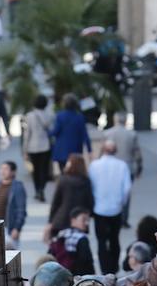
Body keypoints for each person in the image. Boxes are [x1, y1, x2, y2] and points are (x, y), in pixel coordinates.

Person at [89, 140, 132, 274]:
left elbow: (90, 185)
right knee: (114, 238)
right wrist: (122, 203)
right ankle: (113, 267)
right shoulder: (122, 165)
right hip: (115, 208)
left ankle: (104, 268)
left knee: (101, 240)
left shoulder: (94, 166)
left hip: (99, 208)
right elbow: (127, 188)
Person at [45, 153, 94, 240]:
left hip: (62, 220)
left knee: (61, 249)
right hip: (79, 221)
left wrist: (50, 221)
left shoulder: (63, 180)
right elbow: (90, 202)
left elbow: (56, 202)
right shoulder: (86, 182)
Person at [0, 160, 27, 245]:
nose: (2, 171)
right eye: (1, 169)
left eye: (6, 169)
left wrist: (17, 228)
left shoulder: (17, 187)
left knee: (8, 256)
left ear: (13, 172)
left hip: (8, 229)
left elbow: (21, 210)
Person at [49, 94, 91, 172]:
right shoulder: (79, 117)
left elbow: (55, 132)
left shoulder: (60, 116)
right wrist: (89, 150)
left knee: (63, 172)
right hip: (76, 150)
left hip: (61, 150)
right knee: (75, 172)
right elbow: (85, 135)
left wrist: (47, 132)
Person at [104, 111, 142, 180]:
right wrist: (139, 169)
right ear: (126, 121)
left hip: (111, 169)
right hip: (128, 168)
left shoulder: (107, 134)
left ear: (115, 120)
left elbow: (102, 152)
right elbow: (138, 155)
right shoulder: (132, 134)